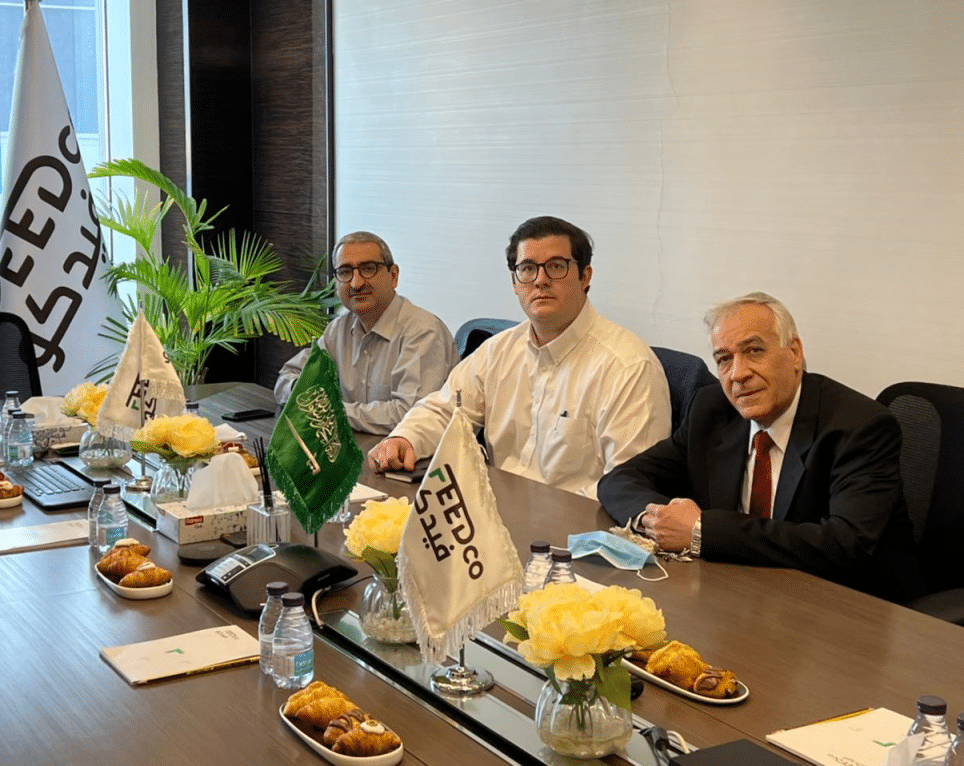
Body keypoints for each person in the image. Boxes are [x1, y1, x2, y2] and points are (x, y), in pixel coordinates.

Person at [597, 291, 923, 602]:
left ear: (794, 353)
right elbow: (619, 480)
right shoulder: (712, 410)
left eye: (754, 351)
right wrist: (658, 521)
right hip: (742, 595)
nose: (738, 374)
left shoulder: (859, 425)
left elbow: (844, 546)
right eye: (724, 359)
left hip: (849, 609)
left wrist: (702, 531)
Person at [368, 215, 671, 498]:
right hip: (493, 518)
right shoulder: (497, 351)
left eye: (555, 266)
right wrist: (405, 439)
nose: (540, 280)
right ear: (515, 282)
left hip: (576, 535)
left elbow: (626, 487)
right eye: (527, 268)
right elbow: (445, 410)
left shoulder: (628, 367)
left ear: (584, 276)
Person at [274, 231, 458, 434]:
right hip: (352, 450)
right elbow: (288, 376)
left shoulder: (423, 332)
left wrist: (329, 411)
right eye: (345, 272)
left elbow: (410, 415)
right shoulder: (338, 330)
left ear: (393, 276)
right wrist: (300, 394)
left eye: (368, 269)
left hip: (414, 460)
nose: (356, 283)